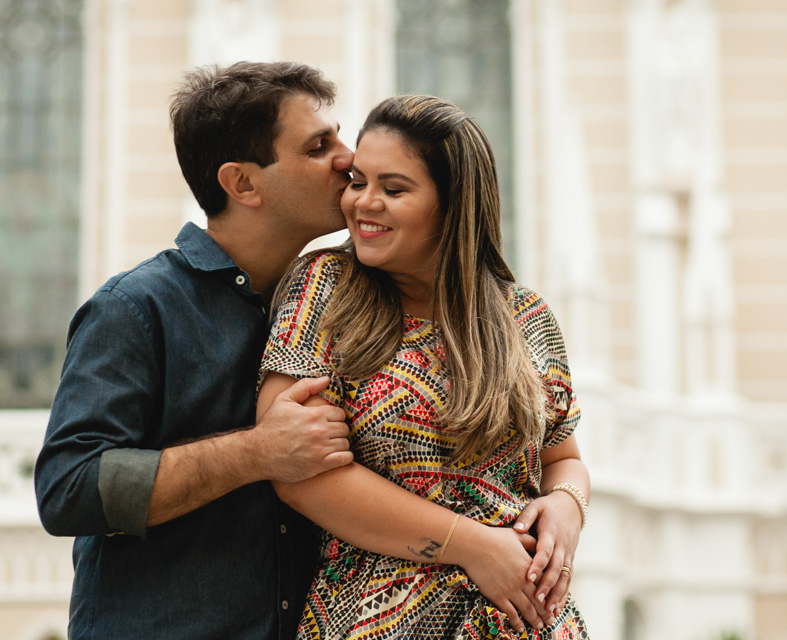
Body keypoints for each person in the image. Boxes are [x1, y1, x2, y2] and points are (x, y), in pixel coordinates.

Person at [35, 62, 577, 640]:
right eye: (320, 146)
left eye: (342, 138)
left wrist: (567, 502)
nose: (346, 160)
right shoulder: (137, 308)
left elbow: (560, 455)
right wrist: (256, 453)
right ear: (243, 184)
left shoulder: (335, 298)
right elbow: (68, 487)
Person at [257, 94, 591, 638]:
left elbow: (563, 457)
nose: (364, 203)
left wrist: (567, 506)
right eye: (358, 181)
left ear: (454, 204)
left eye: (393, 189)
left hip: (531, 622)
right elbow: (298, 475)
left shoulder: (525, 317)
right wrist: (473, 546)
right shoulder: (324, 289)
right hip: (376, 620)